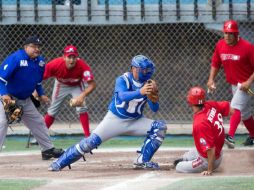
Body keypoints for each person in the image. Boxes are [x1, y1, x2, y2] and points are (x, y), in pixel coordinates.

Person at [48, 55, 167, 171]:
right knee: (90, 143)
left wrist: (153, 98)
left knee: (160, 127)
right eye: (143, 70)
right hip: (115, 120)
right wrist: (140, 92)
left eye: (148, 70)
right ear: (133, 69)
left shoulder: (149, 83)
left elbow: (155, 109)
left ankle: (142, 161)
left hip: (136, 121)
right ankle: (59, 162)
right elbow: (122, 96)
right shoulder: (123, 79)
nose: (146, 72)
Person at [0, 35, 64, 160]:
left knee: (38, 122)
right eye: (33, 46)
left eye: (38, 46)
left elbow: (38, 82)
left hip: (25, 99)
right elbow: (1, 79)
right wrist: (5, 96)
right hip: (9, 97)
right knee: (2, 123)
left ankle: (47, 150)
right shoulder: (16, 58)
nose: (37, 49)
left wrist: (41, 94)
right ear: (25, 47)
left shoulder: (40, 62)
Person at [207, 20, 254, 149]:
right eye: (225, 33)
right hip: (235, 84)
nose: (227, 36)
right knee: (245, 114)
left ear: (236, 34)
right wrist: (211, 79)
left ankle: (230, 137)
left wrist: (249, 82)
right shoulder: (220, 45)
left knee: (235, 107)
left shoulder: (248, 47)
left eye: (230, 33)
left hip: (248, 84)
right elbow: (216, 63)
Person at [174, 86, 230, 175]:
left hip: (209, 159)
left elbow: (211, 149)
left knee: (178, 166)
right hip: (217, 152)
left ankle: (202, 165)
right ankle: (187, 159)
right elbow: (229, 107)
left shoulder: (200, 123)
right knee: (188, 154)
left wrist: (209, 170)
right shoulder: (210, 105)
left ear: (191, 101)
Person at [42, 45, 96, 137]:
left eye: (74, 57)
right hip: (61, 85)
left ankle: (88, 137)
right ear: (64, 57)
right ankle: (40, 136)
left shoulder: (83, 66)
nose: (71, 60)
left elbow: (92, 84)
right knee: (52, 110)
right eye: (69, 57)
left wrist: (82, 95)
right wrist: (37, 92)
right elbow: (39, 78)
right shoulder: (54, 64)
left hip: (77, 85)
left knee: (82, 108)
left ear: (77, 57)